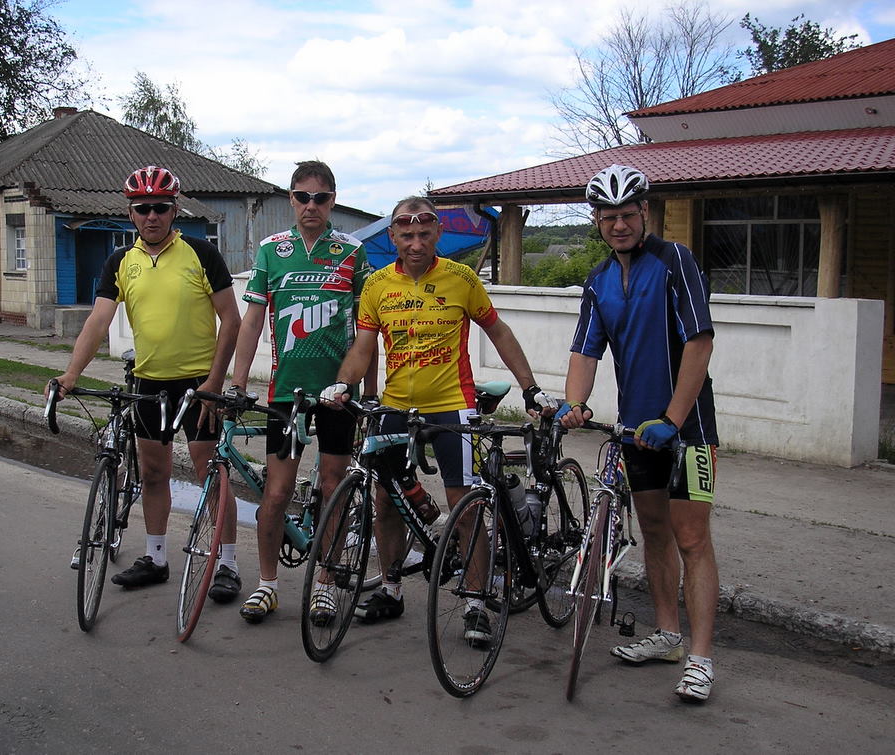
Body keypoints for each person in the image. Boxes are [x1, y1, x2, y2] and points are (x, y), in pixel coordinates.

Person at [321, 196, 557, 646]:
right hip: (396, 405)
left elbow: (499, 331)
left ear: (437, 235)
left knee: (463, 503)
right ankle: (391, 589)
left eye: (423, 234)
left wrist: (530, 387)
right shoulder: (377, 286)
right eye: (406, 235)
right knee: (386, 501)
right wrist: (343, 383)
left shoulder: (461, 278)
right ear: (393, 237)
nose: (415, 243)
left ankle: (475, 601)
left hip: (452, 403)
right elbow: (363, 346)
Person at [557, 164, 720, 702]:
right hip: (635, 429)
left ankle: (701, 658)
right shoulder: (598, 280)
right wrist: (574, 403)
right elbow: (585, 351)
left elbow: (699, 343)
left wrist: (673, 419)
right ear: (597, 221)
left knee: (692, 538)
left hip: (688, 428)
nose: (619, 225)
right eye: (609, 217)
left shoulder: (676, 262)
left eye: (627, 214)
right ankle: (668, 635)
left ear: (645, 211)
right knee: (653, 531)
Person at [48, 166, 241, 593]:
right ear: (130, 213)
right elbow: (98, 321)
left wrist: (214, 382)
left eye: (160, 207)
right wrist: (71, 373)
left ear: (174, 210)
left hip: (198, 384)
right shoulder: (120, 262)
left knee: (211, 474)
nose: (152, 216)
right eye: (142, 208)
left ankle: (227, 563)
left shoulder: (200, 253)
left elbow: (231, 320)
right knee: (153, 473)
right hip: (149, 383)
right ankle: (156, 558)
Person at [229, 160, 374, 624]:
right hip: (286, 394)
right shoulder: (272, 250)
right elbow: (252, 321)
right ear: (291, 199)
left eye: (321, 198)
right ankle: (267, 584)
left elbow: (369, 329)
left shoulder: (351, 251)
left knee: (333, 488)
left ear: (333, 201)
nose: (311, 205)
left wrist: (370, 392)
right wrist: (238, 381)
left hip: (338, 394)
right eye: (302, 196)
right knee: (276, 493)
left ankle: (326, 584)